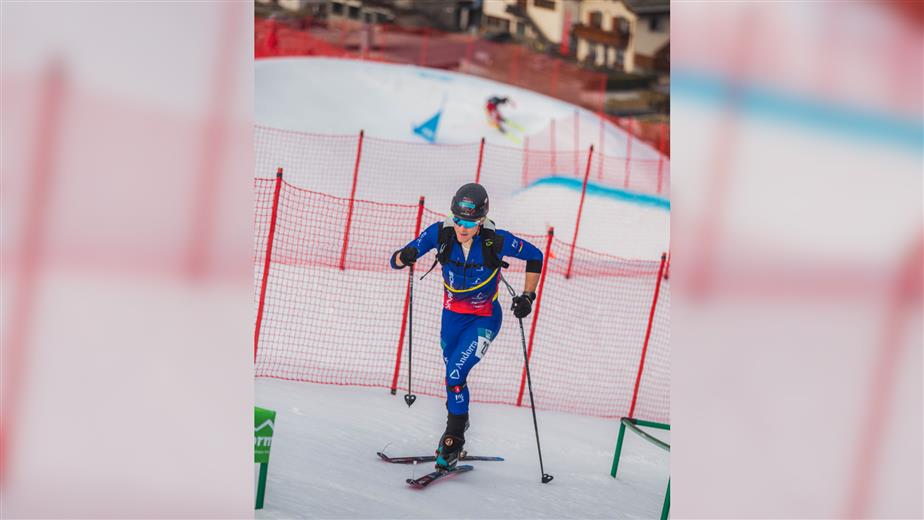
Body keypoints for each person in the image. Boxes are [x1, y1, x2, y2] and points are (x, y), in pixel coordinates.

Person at [390, 183, 543, 471]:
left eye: (470, 222)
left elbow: (535, 255)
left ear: (481, 220)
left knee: (455, 373)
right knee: (453, 379)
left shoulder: (495, 241)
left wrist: (528, 297)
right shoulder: (441, 233)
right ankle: (461, 420)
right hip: (451, 319)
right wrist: (405, 256)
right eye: (458, 220)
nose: (462, 227)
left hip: (484, 319)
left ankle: (453, 439)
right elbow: (396, 260)